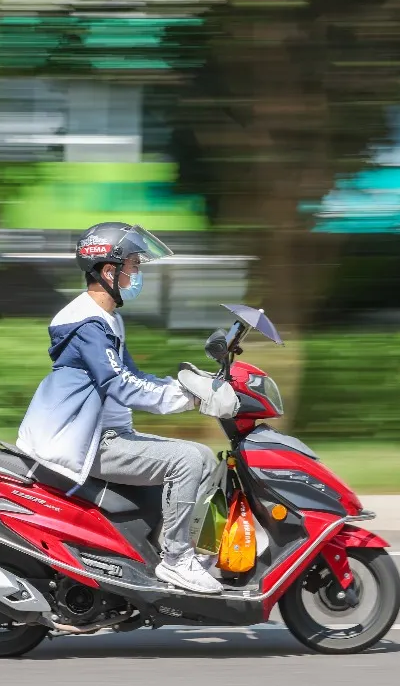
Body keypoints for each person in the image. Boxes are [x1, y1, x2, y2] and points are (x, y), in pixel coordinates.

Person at [15, 222, 235, 594]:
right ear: (107, 271)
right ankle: (177, 560)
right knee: (187, 461)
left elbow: (131, 375)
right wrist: (192, 399)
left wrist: (188, 383)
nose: (138, 274)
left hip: (109, 435)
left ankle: (196, 555)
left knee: (205, 458)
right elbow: (120, 385)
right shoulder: (87, 324)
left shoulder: (106, 321)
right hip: (87, 442)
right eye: (133, 266)